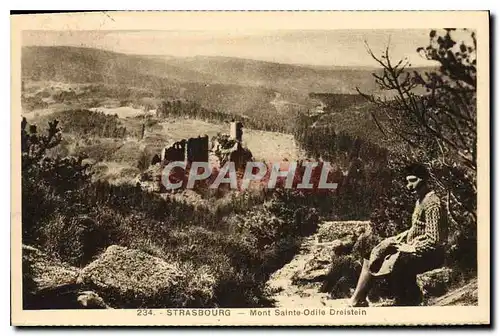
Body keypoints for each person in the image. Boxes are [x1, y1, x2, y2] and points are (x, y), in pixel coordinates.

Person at [349, 163, 448, 306]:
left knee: (396, 259)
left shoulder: (432, 203)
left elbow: (434, 239)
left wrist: (411, 248)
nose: (409, 186)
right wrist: (397, 239)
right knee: (373, 253)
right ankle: (358, 299)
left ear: (424, 179)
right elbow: (417, 228)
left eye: (413, 181)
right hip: (416, 248)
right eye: (408, 181)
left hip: (430, 255)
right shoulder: (421, 200)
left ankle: (402, 301)